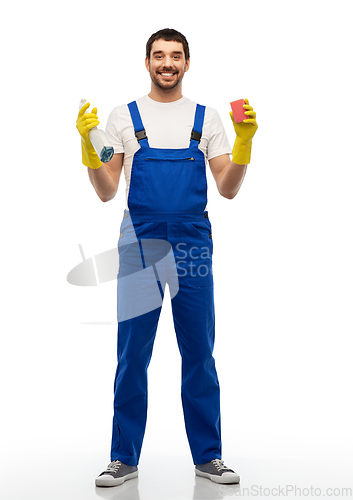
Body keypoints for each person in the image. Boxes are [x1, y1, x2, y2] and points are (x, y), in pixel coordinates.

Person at [76, 28, 258, 488]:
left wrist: (243, 144)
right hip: (139, 240)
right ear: (147, 62)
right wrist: (88, 151)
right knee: (132, 353)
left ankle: (209, 457)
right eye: (159, 56)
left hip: (194, 242)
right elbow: (106, 191)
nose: (167, 64)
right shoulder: (123, 116)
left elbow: (229, 188)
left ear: (187, 63)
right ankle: (122, 458)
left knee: (199, 351)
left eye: (175, 56)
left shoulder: (207, 117)